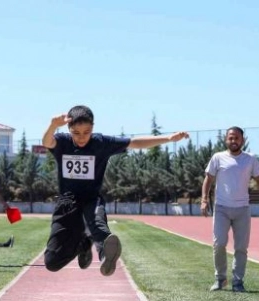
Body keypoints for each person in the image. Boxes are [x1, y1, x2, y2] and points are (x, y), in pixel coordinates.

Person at [42, 105, 188, 276]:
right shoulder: (62, 142)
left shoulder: (101, 143)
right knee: (52, 263)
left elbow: (134, 142)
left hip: (91, 198)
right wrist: (52, 125)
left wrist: (169, 138)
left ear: (93, 127)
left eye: (86, 132)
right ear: (69, 129)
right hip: (67, 202)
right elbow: (47, 142)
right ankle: (83, 244)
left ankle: (106, 255)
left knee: (97, 222)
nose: (81, 138)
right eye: (76, 133)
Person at [201, 126, 259, 293]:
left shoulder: (250, 159)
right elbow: (208, 179)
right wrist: (204, 200)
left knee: (241, 247)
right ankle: (220, 279)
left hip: (242, 209)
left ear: (242, 140)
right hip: (222, 208)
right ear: (226, 140)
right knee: (219, 244)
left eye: (237, 138)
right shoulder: (218, 158)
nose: (233, 141)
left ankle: (238, 282)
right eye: (230, 138)